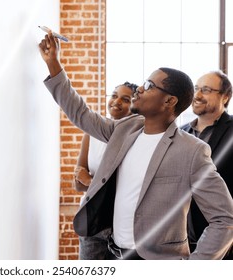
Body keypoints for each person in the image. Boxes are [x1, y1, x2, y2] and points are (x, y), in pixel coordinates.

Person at [38, 33, 233, 259]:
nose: (139, 89)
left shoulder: (191, 150)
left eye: (149, 85)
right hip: (115, 253)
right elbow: (81, 114)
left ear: (170, 101)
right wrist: (53, 63)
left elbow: (225, 218)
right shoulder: (124, 130)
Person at [74, 82, 138, 260]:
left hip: (121, 224)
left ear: (135, 106)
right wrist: (86, 181)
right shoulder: (91, 133)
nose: (116, 101)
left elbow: (127, 186)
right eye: (114, 95)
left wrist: (89, 181)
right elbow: (78, 184)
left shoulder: (136, 138)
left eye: (125, 99)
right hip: (92, 219)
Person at [181, 71, 233, 259]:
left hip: (222, 238)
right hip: (183, 235)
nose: (198, 95)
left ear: (225, 96)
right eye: (196, 88)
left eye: (206, 89)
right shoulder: (181, 132)